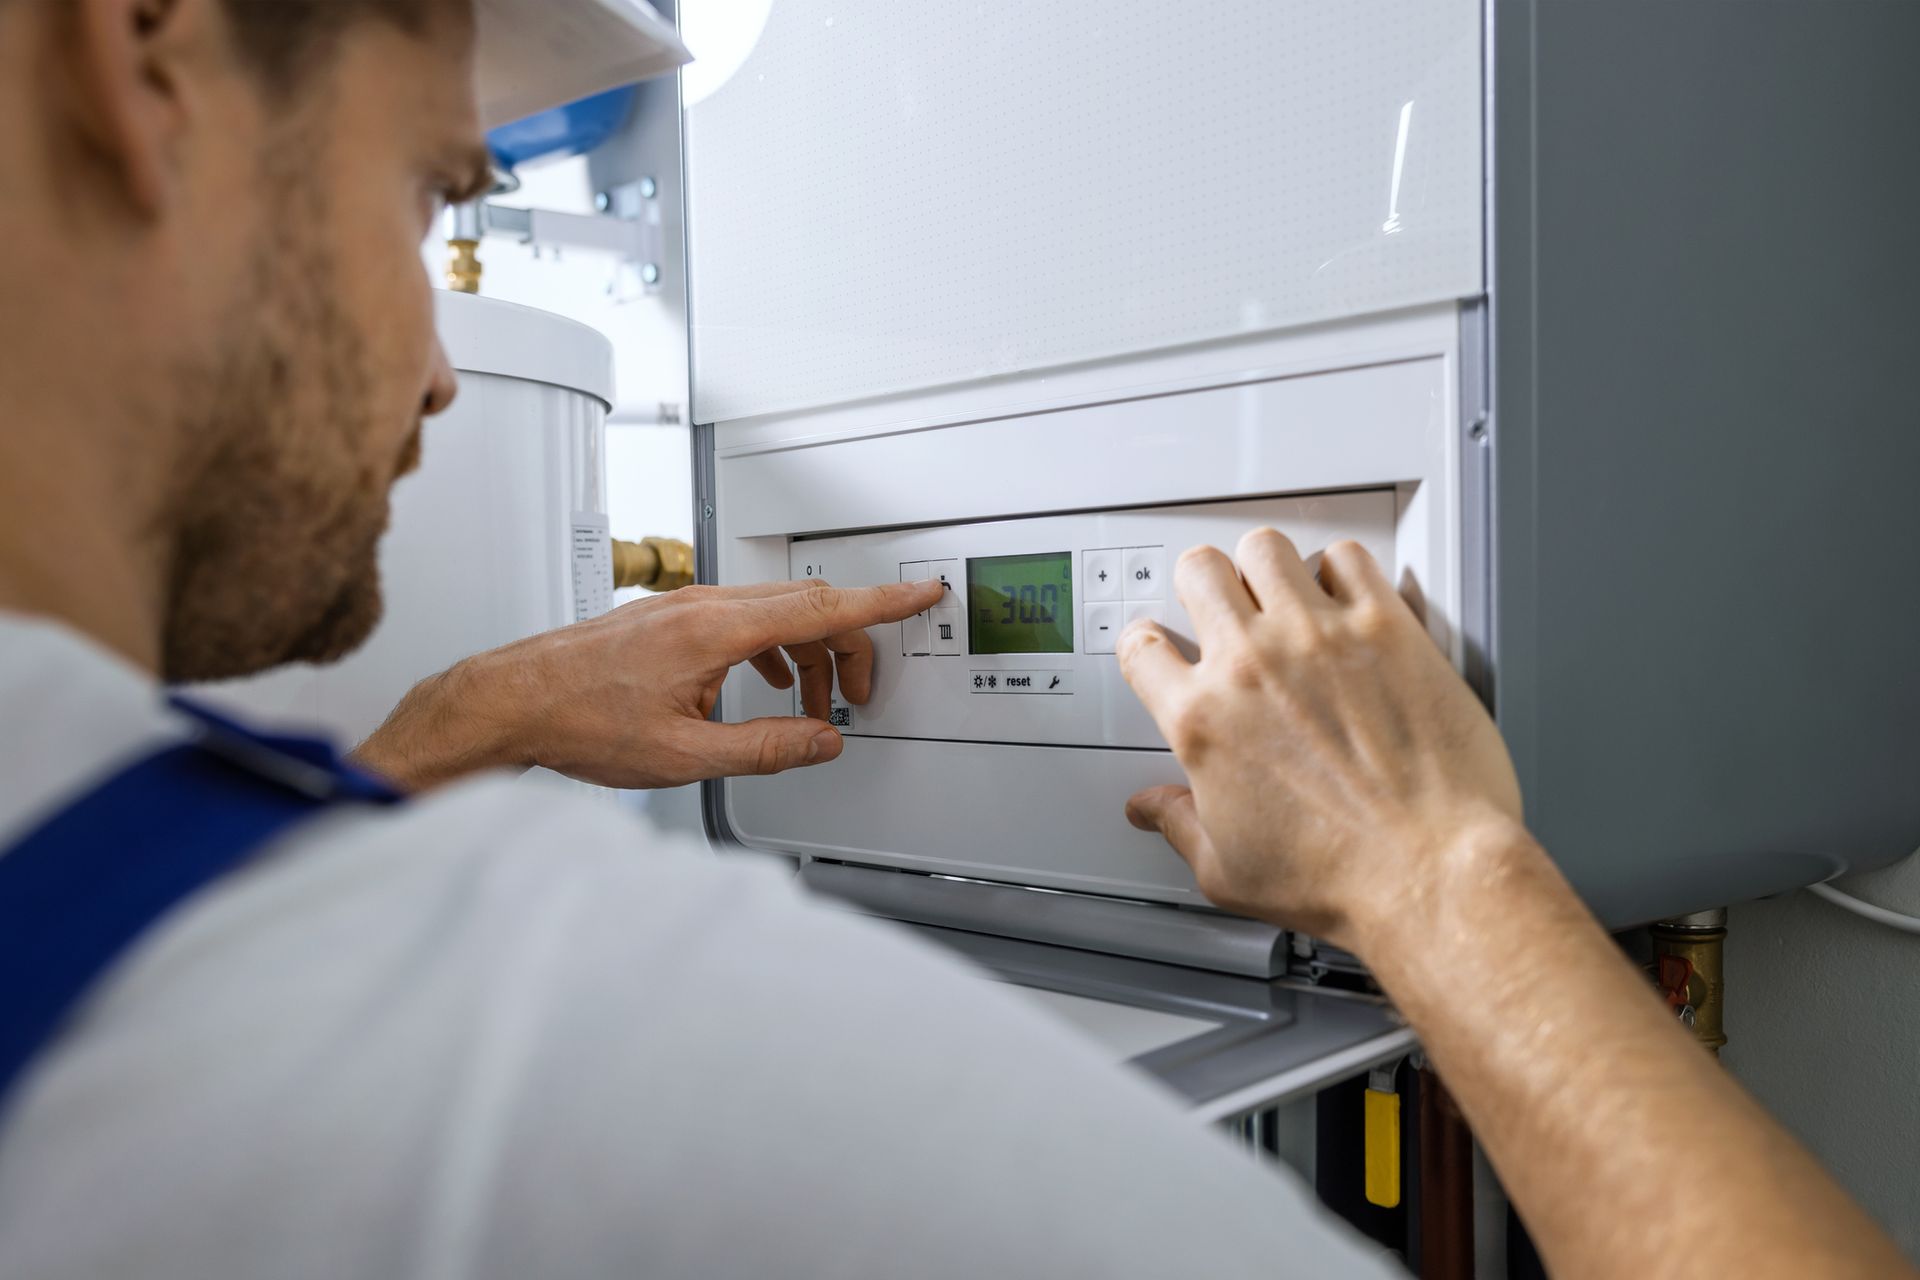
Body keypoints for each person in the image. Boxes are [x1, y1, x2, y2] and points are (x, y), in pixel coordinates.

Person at [0, 0, 1907, 1276]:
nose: (437, 367)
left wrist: (468, 716)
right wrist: (1435, 866)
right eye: (433, 192)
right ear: (146, 56)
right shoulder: (569, 1050)